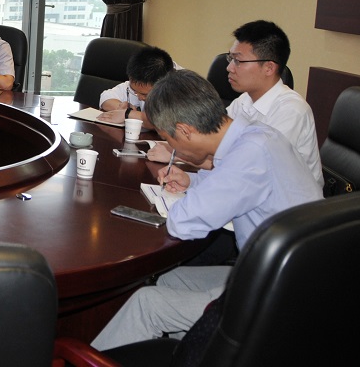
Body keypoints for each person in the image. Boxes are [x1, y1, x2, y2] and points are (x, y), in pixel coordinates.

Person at [91, 70, 322, 350]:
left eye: (169, 140)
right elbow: (239, 184)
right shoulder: (256, 135)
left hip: (281, 295)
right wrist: (193, 180)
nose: (172, 149)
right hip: (289, 275)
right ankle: (192, 353)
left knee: (146, 303)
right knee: (169, 279)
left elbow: (183, 223)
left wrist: (190, 197)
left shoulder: (249, 154)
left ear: (185, 131)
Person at [148, 21, 322, 186]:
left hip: (288, 205)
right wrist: (190, 175)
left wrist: (180, 154)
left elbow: (251, 171)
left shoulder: (291, 111)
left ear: (269, 68)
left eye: (238, 61)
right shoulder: (245, 100)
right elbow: (214, 141)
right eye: (230, 59)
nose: (229, 68)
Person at [97, 46, 176, 128]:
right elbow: (106, 97)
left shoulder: (179, 87)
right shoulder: (139, 82)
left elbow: (168, 124)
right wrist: (123, 108)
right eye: (134, 91)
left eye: (145, 95)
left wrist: (129, 114)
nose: (139, 97)